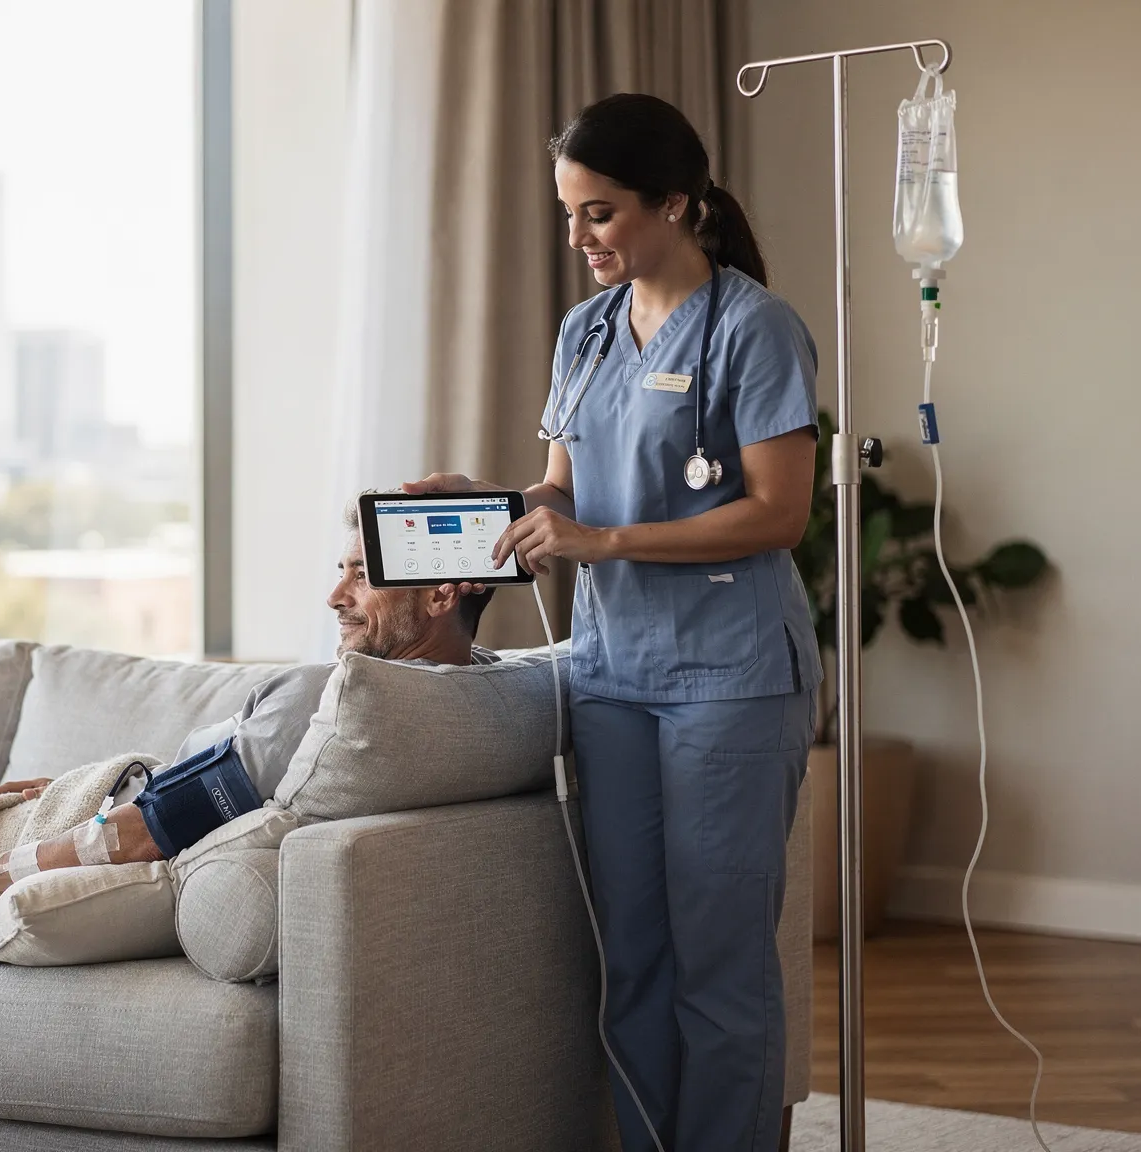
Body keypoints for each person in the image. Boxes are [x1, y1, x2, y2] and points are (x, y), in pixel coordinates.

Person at [406, 93, 822, 1152]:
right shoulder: (583, 334)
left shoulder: (754, 327)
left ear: (675, 205)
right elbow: (562, 493)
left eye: (599, 213)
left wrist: (608, 543)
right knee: (631, 952)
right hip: (612, 673)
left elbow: (778, 511)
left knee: (718, 957)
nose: (579, 238)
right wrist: (487, 505)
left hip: (729, 677)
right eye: (567, 214)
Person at [0, 509, 498, 942]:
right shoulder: (479, 691)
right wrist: (61, 785)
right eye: (341, 571)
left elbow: (147, 829)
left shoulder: (331, 699)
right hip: (88, 798)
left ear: (442, 593)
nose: (334, 596)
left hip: (60, 834)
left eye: (362, 576)